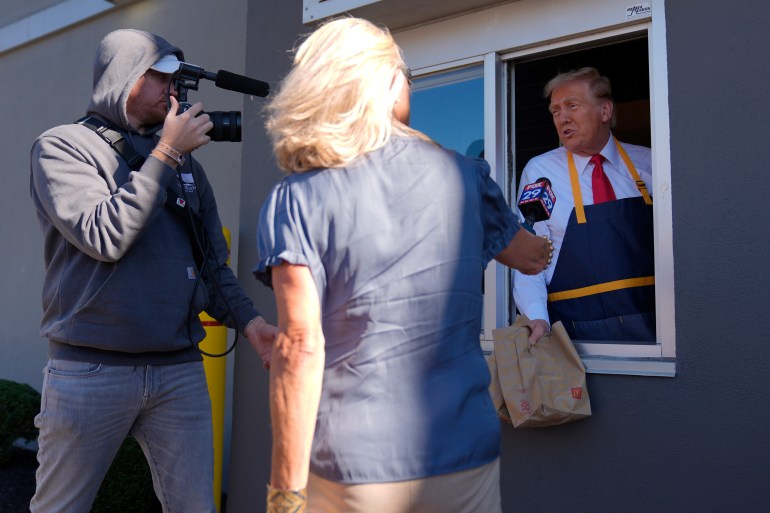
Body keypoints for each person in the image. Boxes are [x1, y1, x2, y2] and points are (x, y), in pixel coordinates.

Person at [253, 17, 552, 513]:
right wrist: (550, 231)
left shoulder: (296, 197)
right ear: (388, 84)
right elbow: (527, 256)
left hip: (353, 467)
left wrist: (286, 495)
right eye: (406, 75)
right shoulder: (465, 176)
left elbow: (300, 347)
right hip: (462, 455)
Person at [28, 29, 276, 513]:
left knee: (194, 507)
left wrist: (251, 323)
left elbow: (211, 265)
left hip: (179, 370)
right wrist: (165, 154)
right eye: (163, 78)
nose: (175, 92)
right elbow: (106, 236)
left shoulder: (186, 166)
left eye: (179, 81)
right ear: (126, 78)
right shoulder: (62, 148)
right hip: (91, 369)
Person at [513, 67, 655, 344]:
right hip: (576, 338)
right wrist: (536, 317)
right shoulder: (541, 172)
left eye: (572, 106)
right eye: (555, 111)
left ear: (604, 111)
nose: (562, 118)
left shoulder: (650, 163)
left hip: (655, 335)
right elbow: (528, 257)